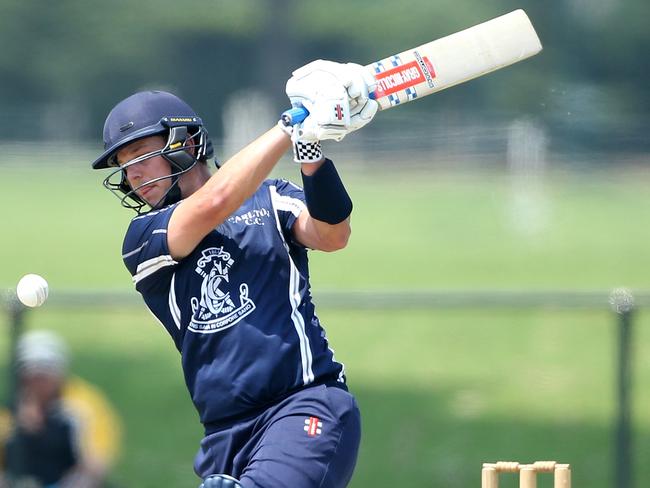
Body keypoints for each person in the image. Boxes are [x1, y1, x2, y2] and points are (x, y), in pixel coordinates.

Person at [89, 60, 378, 488]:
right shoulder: (144, 237)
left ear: (186, 143)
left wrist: (310, 149)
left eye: (142, 156)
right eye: (125, 165)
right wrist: (290, 123)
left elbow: (332, 234)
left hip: (303, 406)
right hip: (223, 437)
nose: (133, 174)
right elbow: (215, 201)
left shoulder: (273, 199)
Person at [0, 330, 122, 488]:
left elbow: (96, 462)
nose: (39, 383)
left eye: (44, 376)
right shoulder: (9, 410)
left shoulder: (84, 406)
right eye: (33, 376)